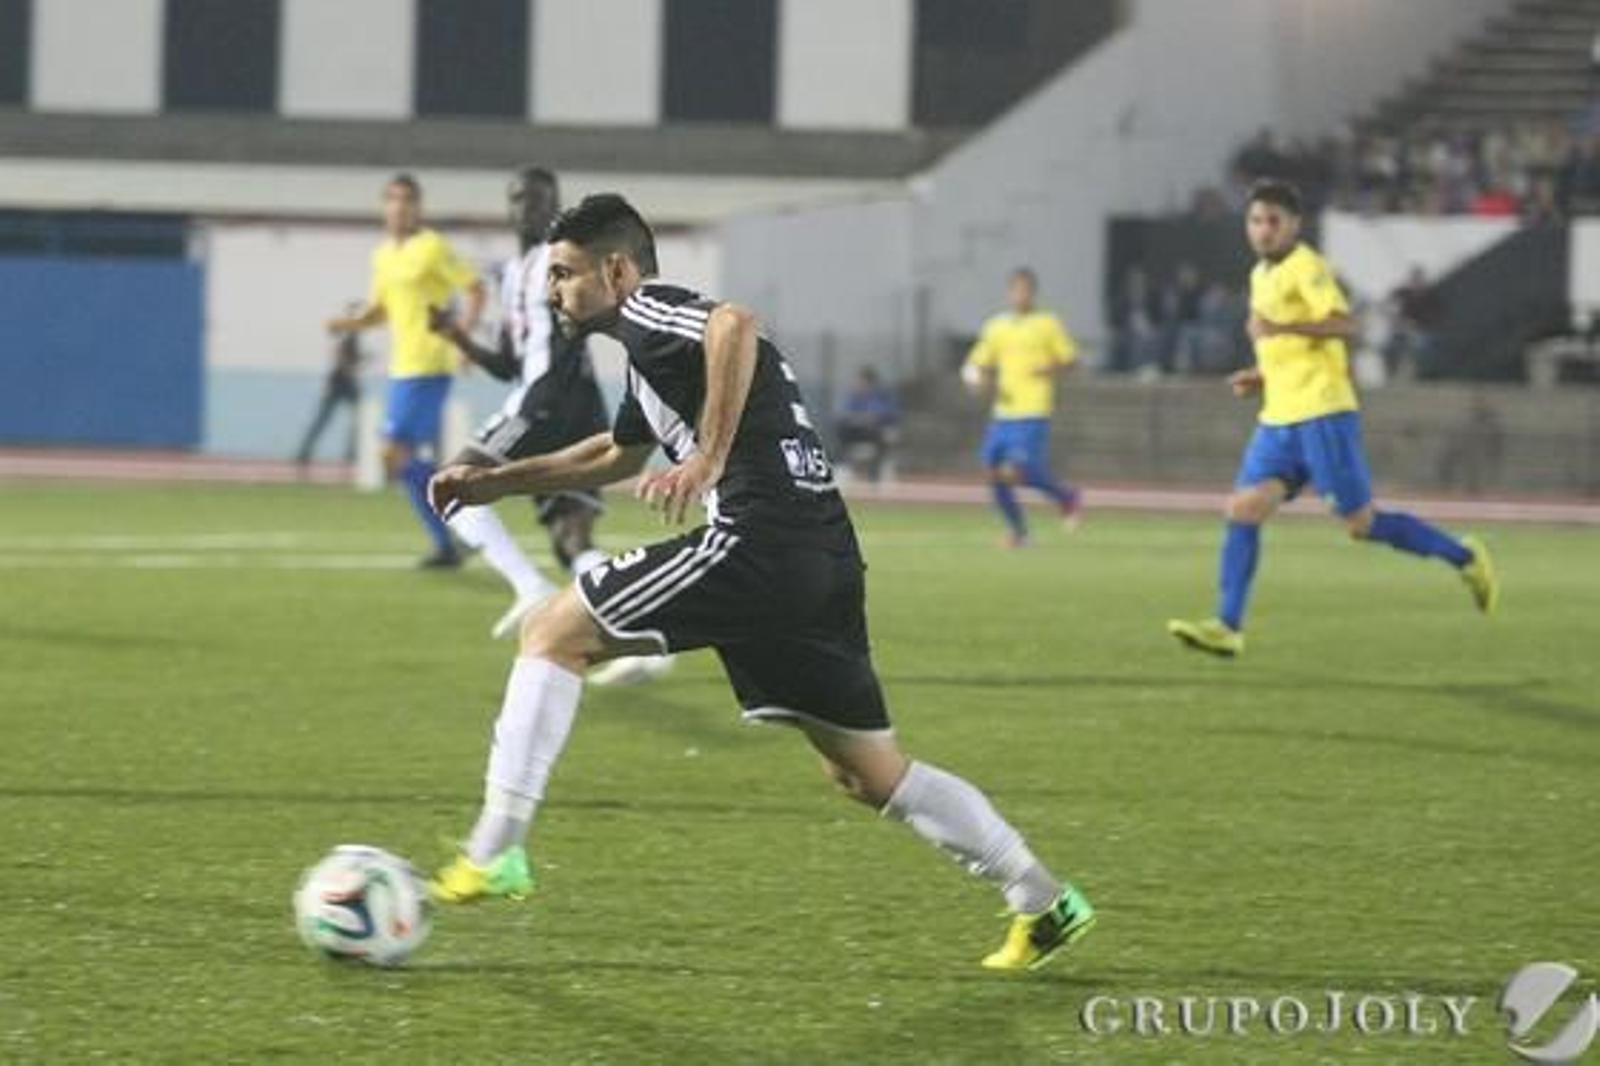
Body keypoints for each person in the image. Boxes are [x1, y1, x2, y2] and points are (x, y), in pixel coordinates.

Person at [425, 194, 1094, 970]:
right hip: (821, 558)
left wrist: (708, 459)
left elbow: (735, 323)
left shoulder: (654, 310)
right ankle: (1042, 898)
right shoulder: (649, 360)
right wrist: (493, 481)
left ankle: (496, 849)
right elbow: (614, 455)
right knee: (868, 773)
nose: (554, 292)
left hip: (760, 539)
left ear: (616, 270)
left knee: (552, 631)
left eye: (567, 274)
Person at [1167, 180, 1499, 658]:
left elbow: (1345, 324)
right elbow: (1290, 348)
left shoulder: (1308, 266)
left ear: (1294, 225)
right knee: (1243, 508)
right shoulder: (1261, 275)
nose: (1263, 230)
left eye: (1273, 221)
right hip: (1278, 418)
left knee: (1360, 523)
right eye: (1256, 221)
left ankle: (1465, 558)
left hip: (1322, 412)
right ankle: (1227, 625)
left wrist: (1281, 327)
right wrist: (1260, 375)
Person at [431, 168, 673, 683]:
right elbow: (504, 362)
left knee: (451, 484)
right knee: (571, 538)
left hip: (548, 396)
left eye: (538, 198)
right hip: (563, 399)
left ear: (556, 204)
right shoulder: (518, 272)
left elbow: (583, 319)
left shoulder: (558, 260)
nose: (527, 207)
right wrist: (456, 336)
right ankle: (643, 643)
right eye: (518, 198)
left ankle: (529, 587)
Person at [326, 173, 485, 568]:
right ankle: (449, 540)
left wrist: (463, 340)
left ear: (419, 207)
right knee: (398, 457)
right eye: (393, 199)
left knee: (391, 453)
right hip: (402, 367)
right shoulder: (382, 255)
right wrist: (347, 324)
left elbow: (475, 288)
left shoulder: (431, 247)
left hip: (430, 363)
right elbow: (380, 310)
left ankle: (466, 521)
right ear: (385, 206)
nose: (400, 207)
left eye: (408, 200)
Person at [961, 268, 1084, 546]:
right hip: (1003, 413)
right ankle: (1020, 532)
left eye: (1025, 290)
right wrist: (976, 380)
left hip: (1034, 409)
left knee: (1019, 471)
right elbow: (977, 363)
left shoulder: (1047, 323)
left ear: (1033, 293)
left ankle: (1066, 497)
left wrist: (1048, 367)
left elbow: (1071, 360)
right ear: (1009, 293)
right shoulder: (997, 327)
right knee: (992, 473)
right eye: (1016, 290)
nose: (1020, 295)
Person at [294, 304, 367, 468]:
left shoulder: (354, 334)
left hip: (346, 383)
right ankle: (303, 453)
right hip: (339, 382)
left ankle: (351, 453)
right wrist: (351, 367)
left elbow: (348, 357)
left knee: (358, 418)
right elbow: (339, 355)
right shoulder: (345, 331)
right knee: (324, 419)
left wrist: (361, 360)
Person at [835, 367, 900, 482]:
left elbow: (890, 414)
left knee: (883, 434)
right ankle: (844, 466)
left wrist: (872, 417)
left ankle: (876, 471)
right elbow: (846, 414)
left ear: (870, 383)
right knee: (841, 428)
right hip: (858, 431)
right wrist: (858, 419)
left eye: (861, 381)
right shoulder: (855, 397)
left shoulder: (882, 396)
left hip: (876, 432)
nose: (858, 384)